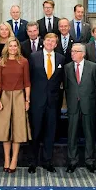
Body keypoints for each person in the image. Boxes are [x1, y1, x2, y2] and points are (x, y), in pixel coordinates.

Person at [0, 38, 31, 173]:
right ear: (7, 47)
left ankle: (14, 160)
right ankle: (6, 159)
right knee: (5, 130)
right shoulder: (1, 61)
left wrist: (27, 100)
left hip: (19, 97)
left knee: (17, 130)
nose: (13, 48)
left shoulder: (24, 61)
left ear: (18, 47)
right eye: (10, 46)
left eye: (15, 46)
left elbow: (27, 83)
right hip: (4, 97)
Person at [27, 33, 65, 173]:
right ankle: (33, 162)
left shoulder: (61, 58)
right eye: (48, 40)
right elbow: (28, 79)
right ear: (43, 41)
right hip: (37, 101)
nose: (50, 43)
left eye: (53, 41)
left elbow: (62, 80)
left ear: (56, 44)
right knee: (35, 132)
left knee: (50, 133)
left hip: (53, 102)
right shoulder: (33, 57)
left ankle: (47, 161)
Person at [64, 43, 96, 173]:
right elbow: (66, 87)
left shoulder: (93, 66)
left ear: (83, 53)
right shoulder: (67, 67)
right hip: (73, 105)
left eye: (75, 51)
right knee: (72, 134)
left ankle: (90, 161)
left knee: (89, 134)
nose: (72, 53)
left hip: (88, 105)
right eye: (72, 51)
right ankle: (72, 161)